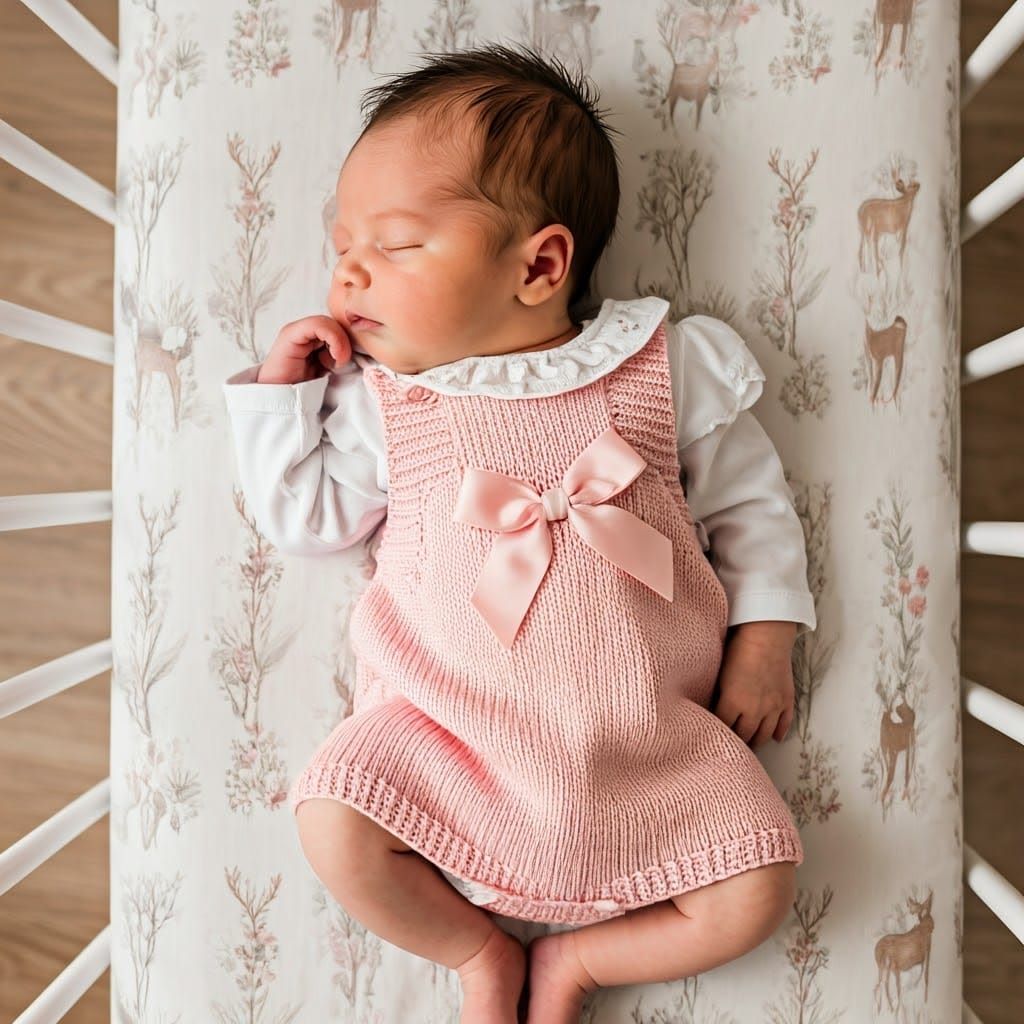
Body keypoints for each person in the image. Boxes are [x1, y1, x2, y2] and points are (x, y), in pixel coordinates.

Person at [222, 41, 817, 1024]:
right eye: (343, 249)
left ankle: (579, 964)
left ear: (539, 263)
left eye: (398, 245)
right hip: (448, 743)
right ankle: (478, 950)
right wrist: (284, 399)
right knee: (330, 816)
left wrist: (766, 637)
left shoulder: (662, 367)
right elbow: (307, 521)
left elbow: (752, 505)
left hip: (650, 750)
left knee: (757, 886)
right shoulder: (388, 405)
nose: (352, 272)